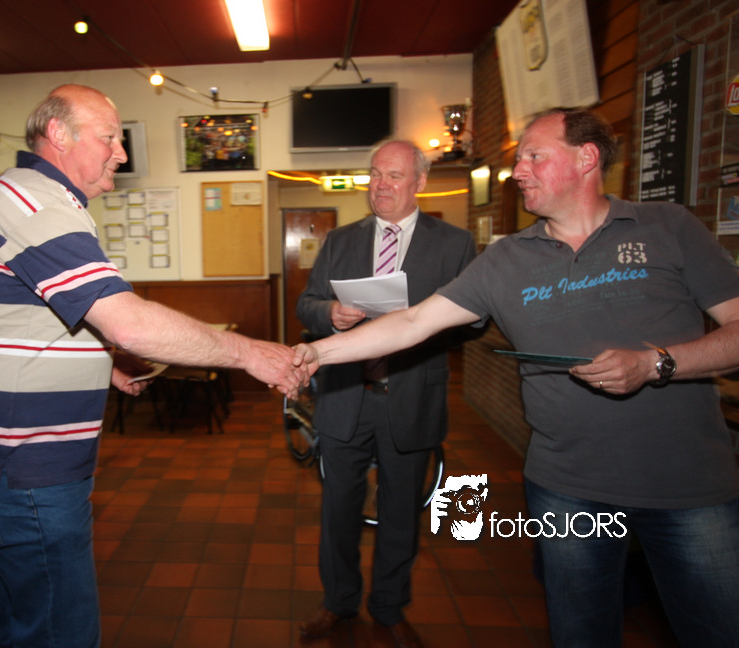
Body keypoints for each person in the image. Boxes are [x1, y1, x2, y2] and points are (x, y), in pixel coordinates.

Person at [293, 108, 739, 648]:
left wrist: (656, 364)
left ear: (586, 158)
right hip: (567, 487)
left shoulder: (668, 227)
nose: (517, 170)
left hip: (689, 485)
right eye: (518, 158)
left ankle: (388, 606)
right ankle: (341, 602)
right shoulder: (508, 256)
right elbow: (411, 322)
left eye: (533, 156)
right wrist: (310, 353)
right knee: (579, 633)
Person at [0, 84, 305, 648]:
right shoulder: (35, 203)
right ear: (58, 135)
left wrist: (98, 363)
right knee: (59, 635)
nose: (121, 152)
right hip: (22, 471)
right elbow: (127, 323)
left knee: (13, 626)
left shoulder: (34, 199)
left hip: (1, 465)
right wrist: (251, 352)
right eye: (109, 137)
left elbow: (22, 319)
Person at [296, 139, 477, 647]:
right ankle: (338, 602)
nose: (381, 185)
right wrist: (329, 314)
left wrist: (423, 322)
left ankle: (390, 607)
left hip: (411, 396)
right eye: (375, 174)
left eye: (394, 176)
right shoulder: (341, 240)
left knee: (401, 513)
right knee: (338, 510)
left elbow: (475, 320)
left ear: (420, 182)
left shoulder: (454, 243)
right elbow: (307, 303)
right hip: (345, 396)